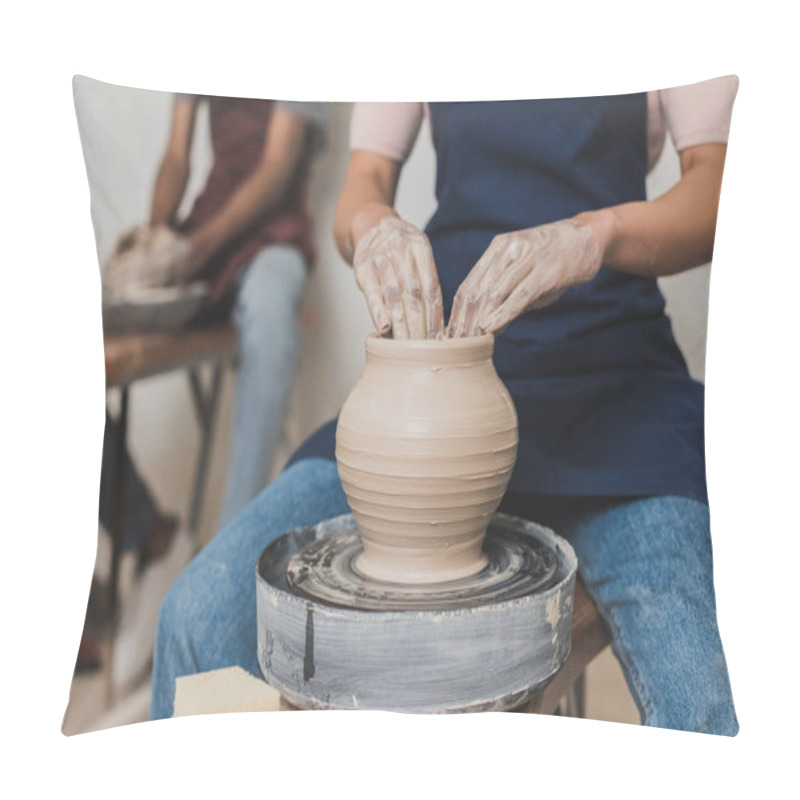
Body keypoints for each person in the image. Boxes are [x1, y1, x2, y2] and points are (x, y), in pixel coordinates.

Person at [151, 78, 739, 735]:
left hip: (618, 395)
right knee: (195, 620)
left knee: (709, 706)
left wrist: (593, 237)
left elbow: (720, 189)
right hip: (437, 400)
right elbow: (364, 180)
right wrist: (373, 227)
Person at [88, 96, 327, 688]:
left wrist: (194, 250)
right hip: (205, 229)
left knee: (271, 312)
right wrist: (155, 241)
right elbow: (176, 155)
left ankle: (226, 567)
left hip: (270, 231)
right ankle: (151, 536)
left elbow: (276, 171)